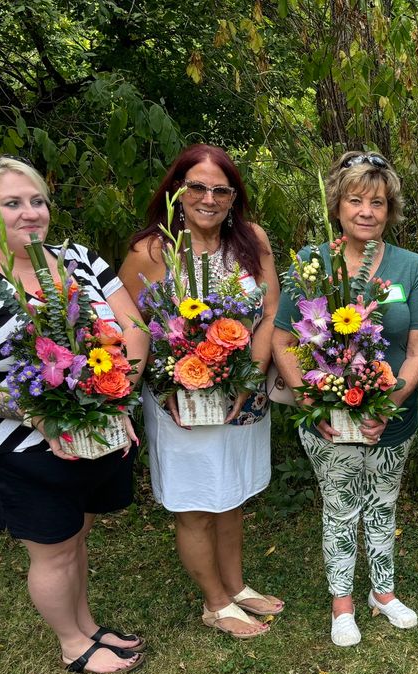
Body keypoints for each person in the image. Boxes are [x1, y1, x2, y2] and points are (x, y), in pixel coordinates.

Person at [0, 155, 148, 674]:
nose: (30, 213)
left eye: (37, 201)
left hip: (94, 431)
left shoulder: (79, 260)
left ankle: (88, 623)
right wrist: (42, 415)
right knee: (53, 550)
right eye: (12, 203)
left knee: (78, 534)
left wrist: (116, 394)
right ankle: (73, 644)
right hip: (16, 446)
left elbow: (134, 328)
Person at [271, 151, 418, 647]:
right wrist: (309, 401)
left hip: (392, 418)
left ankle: (382, 593)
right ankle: (342, 603)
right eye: (355, 199)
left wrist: (387, 406)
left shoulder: (411, 267)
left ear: (391, 210)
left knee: (383, 504)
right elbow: (282, 340)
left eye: (378, 202)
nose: (366, 211)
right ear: (338, 205)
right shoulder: (309, 263)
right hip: (326, 420)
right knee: (340, 507)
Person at [119, 144, 281, 639]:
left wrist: (249, 379)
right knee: (195, 502)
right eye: (197, 187)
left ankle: (235, 586)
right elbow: (129, 323)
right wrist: (164, 381)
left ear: (234, 197)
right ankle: (214, 603)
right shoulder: (152, 251)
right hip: (181, 401)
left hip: (242, 394)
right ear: (176, 191)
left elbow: (271, 310)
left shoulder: (251, 240)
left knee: (231, 494)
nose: (208, 198)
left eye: (220, 189)